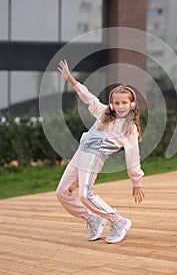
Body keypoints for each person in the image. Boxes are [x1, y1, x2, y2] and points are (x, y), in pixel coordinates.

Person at [56, 59, 145, 243]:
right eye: (116, 103)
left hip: (96, 155)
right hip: (82, 151)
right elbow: (89, 98)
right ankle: (93, 218)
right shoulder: (104, 113)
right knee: (62, 192)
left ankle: (118, 221)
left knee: (85, 193)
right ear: (112, 105)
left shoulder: (130, 129)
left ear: (132, 105)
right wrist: (71, 79)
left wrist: (136, 181)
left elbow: (133, 157)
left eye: (124, 103)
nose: (120, 106)